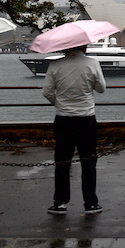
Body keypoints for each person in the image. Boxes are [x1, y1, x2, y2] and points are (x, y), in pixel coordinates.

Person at [43, 44, 106, 215]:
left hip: (63, 118)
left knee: (62, 161)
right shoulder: (92, 63)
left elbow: (47, 91)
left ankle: (60, 203)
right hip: (86, 118)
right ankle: (90, 203)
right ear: (84, 47)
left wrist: (59, 103)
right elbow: (101, 88)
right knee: (89, 160)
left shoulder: (55, 65)